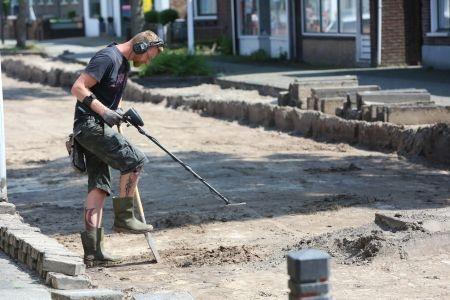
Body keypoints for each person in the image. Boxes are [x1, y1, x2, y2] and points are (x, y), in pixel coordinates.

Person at [70, 30, 164, 266]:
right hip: (90, 126)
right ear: (141, 47)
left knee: (99, 187)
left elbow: (108, 94)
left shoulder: (123, 64)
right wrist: (105, 112)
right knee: (135, 160)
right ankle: (125, 218)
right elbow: (79, 88)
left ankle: (94, 253)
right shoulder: (107, 58)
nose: (148, 61)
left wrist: (117, 112)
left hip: (97, 127)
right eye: (149, 56)